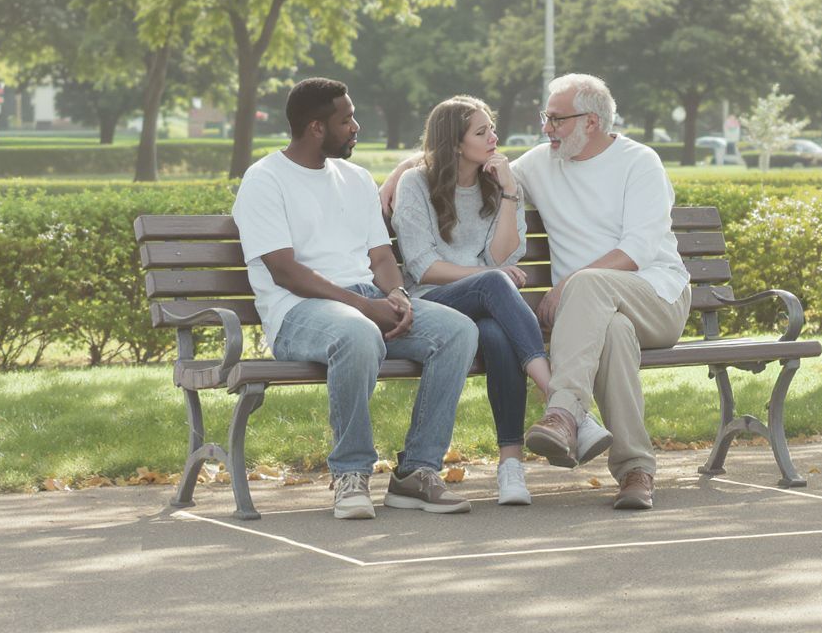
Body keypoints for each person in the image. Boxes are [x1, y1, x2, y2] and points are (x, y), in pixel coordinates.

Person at [382, 74, 691, 510]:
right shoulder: (544, 162)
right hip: (595, 313)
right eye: (546, 117)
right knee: (615, 335)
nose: (547, 128)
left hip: (655, 295)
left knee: (591, 289)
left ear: (592, 121)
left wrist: (568, 284)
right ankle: (635, 472)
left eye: (557, 119)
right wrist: (400, 170)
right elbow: (461, 151)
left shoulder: (640, 163)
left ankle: (563, 414)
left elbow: (637, 251)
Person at [232, 78, 479, 520]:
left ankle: (417, 472)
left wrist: (396, 294)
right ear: (315, 128)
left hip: (365, 301)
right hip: (297, 312)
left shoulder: (356, 178)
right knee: (358, 334)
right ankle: (351, 473)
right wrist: (365, 307)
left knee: (457, 331)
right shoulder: (265, 180)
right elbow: (285, 271)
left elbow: (381, 255)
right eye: (345, 120)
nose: (355, 126)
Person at [391, 96, 612, 506]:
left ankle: (511, 467)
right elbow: (423, 267)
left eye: (492, 127)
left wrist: (509, 192)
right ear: (455, 143)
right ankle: (568, 407)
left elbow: (504, 258)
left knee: (496, 335)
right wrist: (485, 278)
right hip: (432, 302)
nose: (494, 137)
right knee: (493, 287)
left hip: (488, 306)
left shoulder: (500, 182)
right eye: (482, 132)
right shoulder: (416, 183)